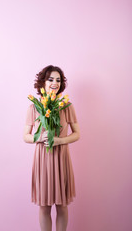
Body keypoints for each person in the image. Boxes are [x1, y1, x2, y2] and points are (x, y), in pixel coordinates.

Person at [23, 65, 80, 231]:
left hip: (61, 158)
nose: (55, 83)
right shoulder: (33, 108)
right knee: (44, 207)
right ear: (43, 83)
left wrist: (59, 141)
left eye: (58, 80)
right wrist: (39, 137)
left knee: (62, 206)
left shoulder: (66, 106)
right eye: (50, 79)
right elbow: (25, 136)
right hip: (43, 160)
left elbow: (77, 134)